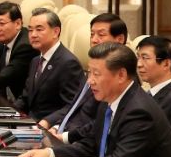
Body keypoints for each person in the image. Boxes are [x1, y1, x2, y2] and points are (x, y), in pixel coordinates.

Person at [16, 42, 171, 157]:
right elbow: (92, 145)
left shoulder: (139, 111)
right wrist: (50, 153)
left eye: (96, 74)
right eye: (89, 73)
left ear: (121, 75)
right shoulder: (108, 102)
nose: (89, 81)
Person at [39, 13, 128, 143]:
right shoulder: (92, 68)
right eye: (92, 34)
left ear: (119, 39)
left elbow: (100, 123)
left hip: (81, 143)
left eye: (101, 35)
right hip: (63, 135)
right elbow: (74, 106)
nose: (94, 39)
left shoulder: (119, 78)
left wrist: (65, 137)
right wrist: (56, 126)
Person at [14, 9, 83, 121]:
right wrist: (8, 112)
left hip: (50, 128)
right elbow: (26, 98)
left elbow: (73, 105)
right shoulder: (36, 61)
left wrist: (48, 122)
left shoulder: (68, 63)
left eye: (39, 29)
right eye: (30, 30)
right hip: (30, 124)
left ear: (55, 32)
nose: (33, 35)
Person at [137, 35, 171, 134]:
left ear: (166, 64)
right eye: (138, 57)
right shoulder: (153, 93)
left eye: (145, 58)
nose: (139, 64)